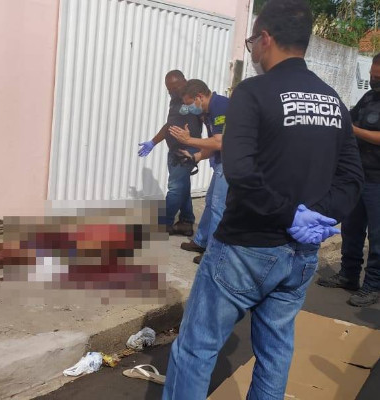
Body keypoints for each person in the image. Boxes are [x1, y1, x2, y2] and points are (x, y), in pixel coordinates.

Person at [162, 1, 364, 399]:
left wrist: (291, 215)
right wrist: (319, 217)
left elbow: (240, 171)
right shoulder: (332, 100)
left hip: (245, 248)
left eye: (252, 39)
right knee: (275, 351)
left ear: (266, 39)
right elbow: (351, 177)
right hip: (301, 254)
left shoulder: (253, 93)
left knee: (197, 349)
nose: (252, 48)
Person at [317, 53, 380, 307]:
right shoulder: (369, 98)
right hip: (359, 177)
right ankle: (349, 275)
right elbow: (348, 119)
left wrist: (353, 130)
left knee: (377, 237)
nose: (373, 80)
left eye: (378, 77)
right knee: (351, 229)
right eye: (372, 75)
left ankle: (373, 285)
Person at [169, 79, 230, 264]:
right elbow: (213, 144)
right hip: (222, 161)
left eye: (190, 104)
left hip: (231, 162)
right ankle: (201, 241)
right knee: (211, 202)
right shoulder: (209, 111)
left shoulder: (220, 106)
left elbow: (220, 142)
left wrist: (189, 141)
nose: (189, 109)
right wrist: (194, 157)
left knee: (218, 207)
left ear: (199, 97)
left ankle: (214, 253)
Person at [138, 70, 203, 236]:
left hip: (186, 151)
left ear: (185, 82)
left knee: (175, 188)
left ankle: (164, 223)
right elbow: (169, 125)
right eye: (169, 89)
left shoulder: (195, 99)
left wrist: (209, 147)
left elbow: (208, 119)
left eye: (175, 87)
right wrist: (153, 142)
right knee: (182, 186)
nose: (172, 92)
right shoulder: (174, 101)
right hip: (174, 151)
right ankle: (186, 222)